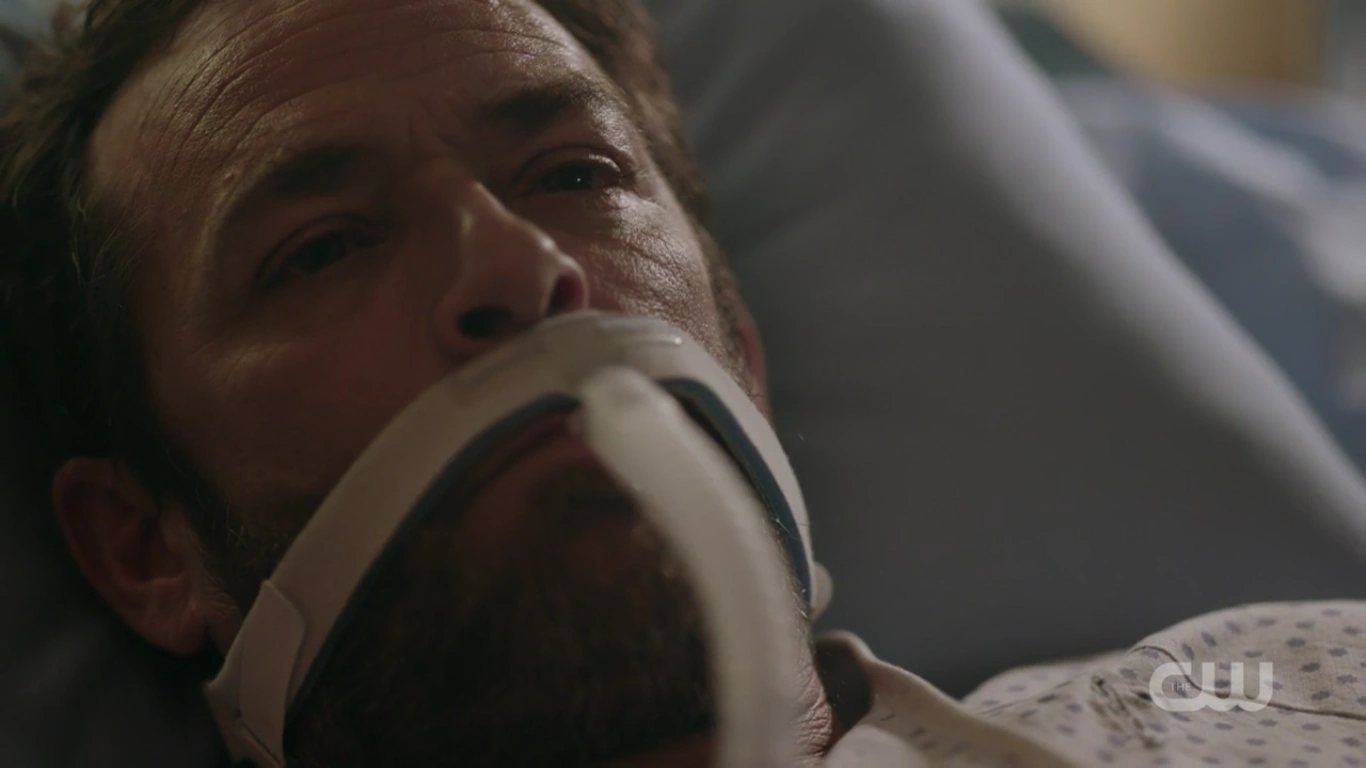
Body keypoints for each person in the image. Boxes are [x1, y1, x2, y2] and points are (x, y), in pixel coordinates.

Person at [1, 0, 1364, 765]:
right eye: (321, 249)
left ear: (741, 357)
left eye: (572, 174)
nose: (520, 269)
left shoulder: (1271, 691)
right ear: (142, 550)